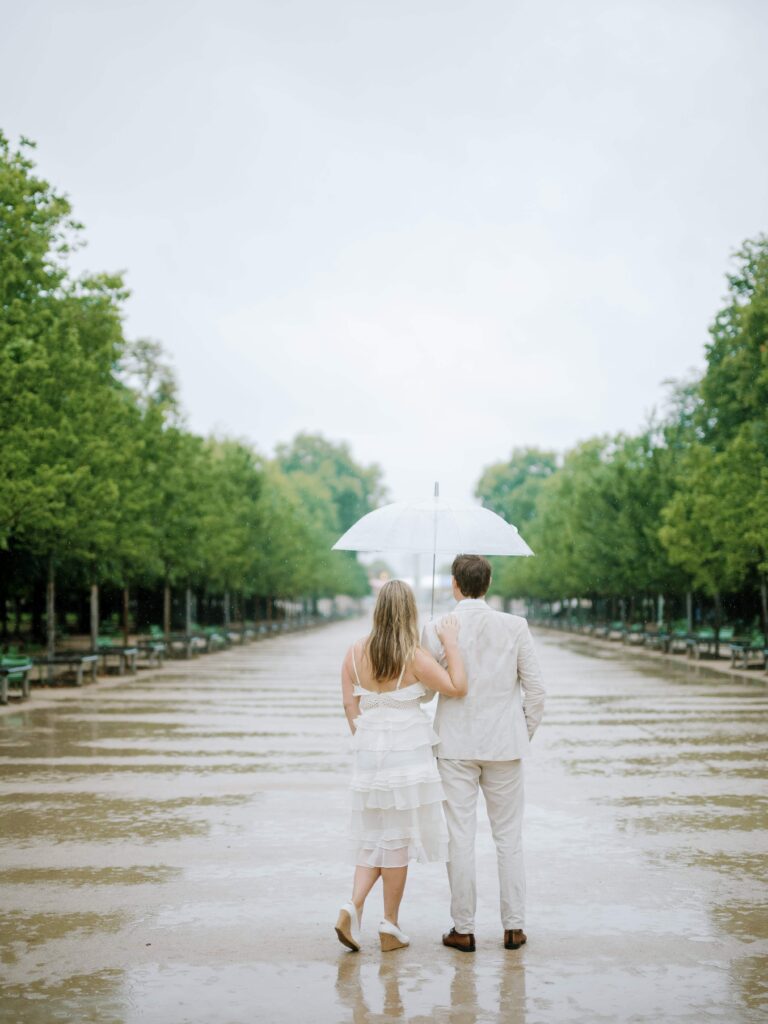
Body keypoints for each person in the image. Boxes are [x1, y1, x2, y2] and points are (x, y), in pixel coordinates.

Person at [421, 554, 546, 953]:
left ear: (455, 584)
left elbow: (424, 688)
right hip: (504, 745)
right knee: (509, 837)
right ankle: (514, 927)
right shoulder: (515, 626)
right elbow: (536, 692)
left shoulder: (437, 627)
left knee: (459, 837)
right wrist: (519, 733)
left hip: (455, 745)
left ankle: (463, 928)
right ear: (487, 584)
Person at [335, 579, 468, 953]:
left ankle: (353, 905)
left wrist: (365, 739)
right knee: (396, 840)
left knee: (373, 836)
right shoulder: (414, 656)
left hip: (368, 752)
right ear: (409, 612)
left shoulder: (354, 652)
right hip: (406, 753)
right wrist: (450, 644)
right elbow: (457, 687)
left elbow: (349, 705)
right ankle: (389, 924)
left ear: (378, 610)